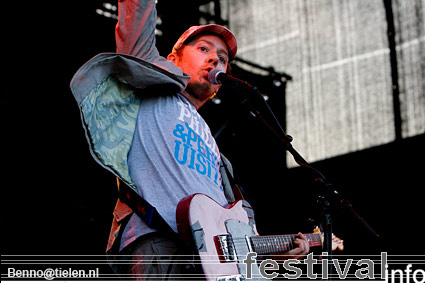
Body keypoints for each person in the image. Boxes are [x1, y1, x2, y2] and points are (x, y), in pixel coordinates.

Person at [70, 0, 309, 280]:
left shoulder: (217, 153)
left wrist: (277, 252)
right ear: (172, 60)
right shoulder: (151, 92)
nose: (214, 59)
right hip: (159, 242)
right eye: (203, 49)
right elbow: (134, 38)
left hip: (211, 264)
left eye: (222, 58)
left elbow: (230, 230)